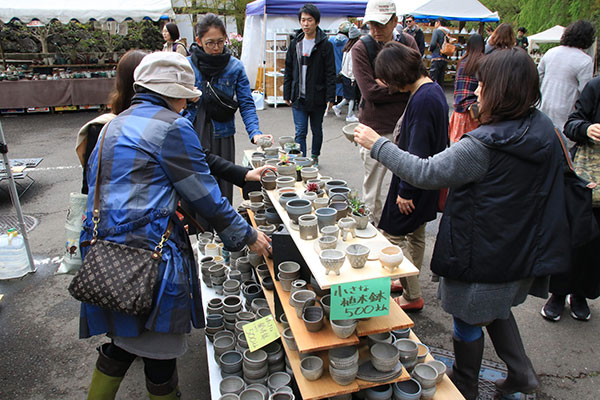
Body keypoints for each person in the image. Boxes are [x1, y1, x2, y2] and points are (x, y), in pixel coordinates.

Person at [354, 48, 571, 399]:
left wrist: (377, 144)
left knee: (468, 317)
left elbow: (426, 171)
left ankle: (466, 381)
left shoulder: (484, 145)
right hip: (520, 243)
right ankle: (521, 373)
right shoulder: (541, 126)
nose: (476, 90)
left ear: (501, 90)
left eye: (482, 84)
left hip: (481, 249)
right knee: (496, 308)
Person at [80, 52, 272, 400]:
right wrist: (248, 235)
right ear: (170, 93)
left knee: (124, 339)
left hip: (105, 251)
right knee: (159, 355)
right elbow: (205, 196)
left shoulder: (113, 124)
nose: (187, 104)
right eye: (185, 96)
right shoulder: (171, 125)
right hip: (148, 255)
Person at [372, 42, 448, 311]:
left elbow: (418, 148)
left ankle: (412, 294)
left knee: (392, 235)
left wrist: (406, 190)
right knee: (415, 235)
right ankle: (407, 282)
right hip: (425, 180)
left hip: (413, 181)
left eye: (386, 78)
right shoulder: (432, 89)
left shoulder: (423, 99)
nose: (385, 84)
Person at [187, 13, 271, 202]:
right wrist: (186, 99)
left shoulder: (235, 67)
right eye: (210, 43)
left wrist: (255, 132)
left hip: (222, 134)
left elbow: (247, 103)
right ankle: (200, 231)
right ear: (199, 41)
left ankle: (220, 231)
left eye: (220, 42)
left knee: (222, 186)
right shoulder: (187, 66)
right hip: (191, 131)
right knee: (193, 187)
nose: (216, 48)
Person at [352, 0, 419, 226]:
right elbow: (370, 93)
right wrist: (401, 85)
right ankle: (371, 233)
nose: (375, 30)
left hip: (406, 126)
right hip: (375, 129)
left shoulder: (408, 42)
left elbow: (418, 84)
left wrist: (386, 84)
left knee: (407, 186)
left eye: (380, 24)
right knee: (372, 191)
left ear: (395, 21)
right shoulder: (361, 48)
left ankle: (399, 232)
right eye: (371, 24)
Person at [541, 75, 600, 322]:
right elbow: (572, 124)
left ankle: (581, 295)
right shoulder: (596, 86)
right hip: (589, 178)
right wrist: (587, 129)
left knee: (596, 248)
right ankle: (558, 293)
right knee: (574, 237)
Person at [283, 3, 336, 167]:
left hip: (318, 96)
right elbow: (289, 69)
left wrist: (330, 97)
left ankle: (315, 156)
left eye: (309, 20)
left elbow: (330, 72)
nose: (306, 24)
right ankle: (302, 161)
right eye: (303, 20)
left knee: (316, 129)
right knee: (300, 132)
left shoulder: (325, 45)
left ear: (317, 22)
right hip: (299, 96)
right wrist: (287, 93)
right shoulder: (295, 43)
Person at [538, 20, 595, 134]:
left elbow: (538, 78)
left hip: (544, 107)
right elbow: (585, 92)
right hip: (567, 112)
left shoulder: (550, 52)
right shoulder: (585, 61)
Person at [448, 34, 484, 143]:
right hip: (475, 112)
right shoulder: (483, 61)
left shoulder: (462, 62)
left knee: (458, 147)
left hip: (459, 112)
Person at [331, 25, 361, 123]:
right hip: (350, 76)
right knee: (351, 97)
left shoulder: (347, 48)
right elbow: (352, 66)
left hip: (344, 75)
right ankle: (349, 115)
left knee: (348, 96)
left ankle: (338, 107)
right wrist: (353, 78)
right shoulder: (354, 49)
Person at [328, 21, 350, 108]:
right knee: (341, 87)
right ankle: (338, 107)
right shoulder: (348, 42)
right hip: (342, 68)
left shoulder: (330, 40)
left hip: (331, 66)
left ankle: (330, 104)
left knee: (331, 86)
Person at [429, 17, 450, 87]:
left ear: (438, 22)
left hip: (436, 56)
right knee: (441, 79)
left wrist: (430, 49)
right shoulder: (447, 32)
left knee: (433, 78)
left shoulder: (437, 31)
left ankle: (432, 95)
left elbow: (433, 44)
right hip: (444, 57)